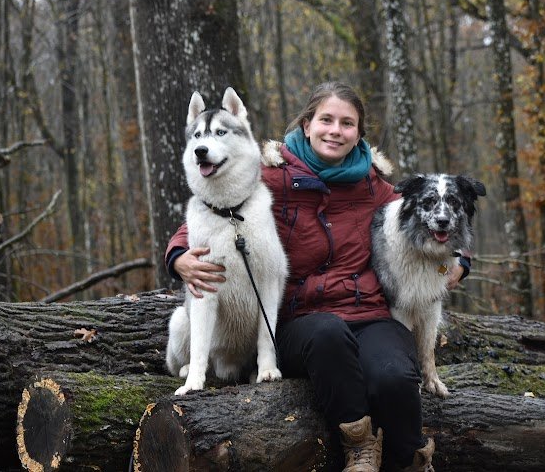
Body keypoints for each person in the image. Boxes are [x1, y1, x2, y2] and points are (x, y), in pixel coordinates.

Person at [166, 82, 468, 471]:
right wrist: (178, 256)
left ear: (358, 133)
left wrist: (462, 259)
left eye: (347, 123)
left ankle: (410, 460)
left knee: (393, 376)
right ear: (307, 125)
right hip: (300, 322)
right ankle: (359, 448)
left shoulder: (373, 184)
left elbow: (430, 216)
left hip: (368, 313)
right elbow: (208, 211)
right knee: (327, 336)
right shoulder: (272, 177)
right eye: (326, 120)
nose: (335, 130)